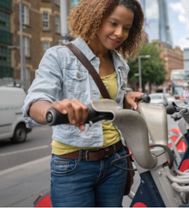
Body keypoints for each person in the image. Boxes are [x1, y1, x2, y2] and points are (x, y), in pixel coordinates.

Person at [22, 0, 144, 206]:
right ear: (95, 18)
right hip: (73, 165)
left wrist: (125, 97)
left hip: (115, 160)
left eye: (126, 28)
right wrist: (54, 109)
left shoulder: (120, 63)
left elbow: (110, 98)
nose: (119, 33)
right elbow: (35, 102)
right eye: (113, 23)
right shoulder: (59, 56)